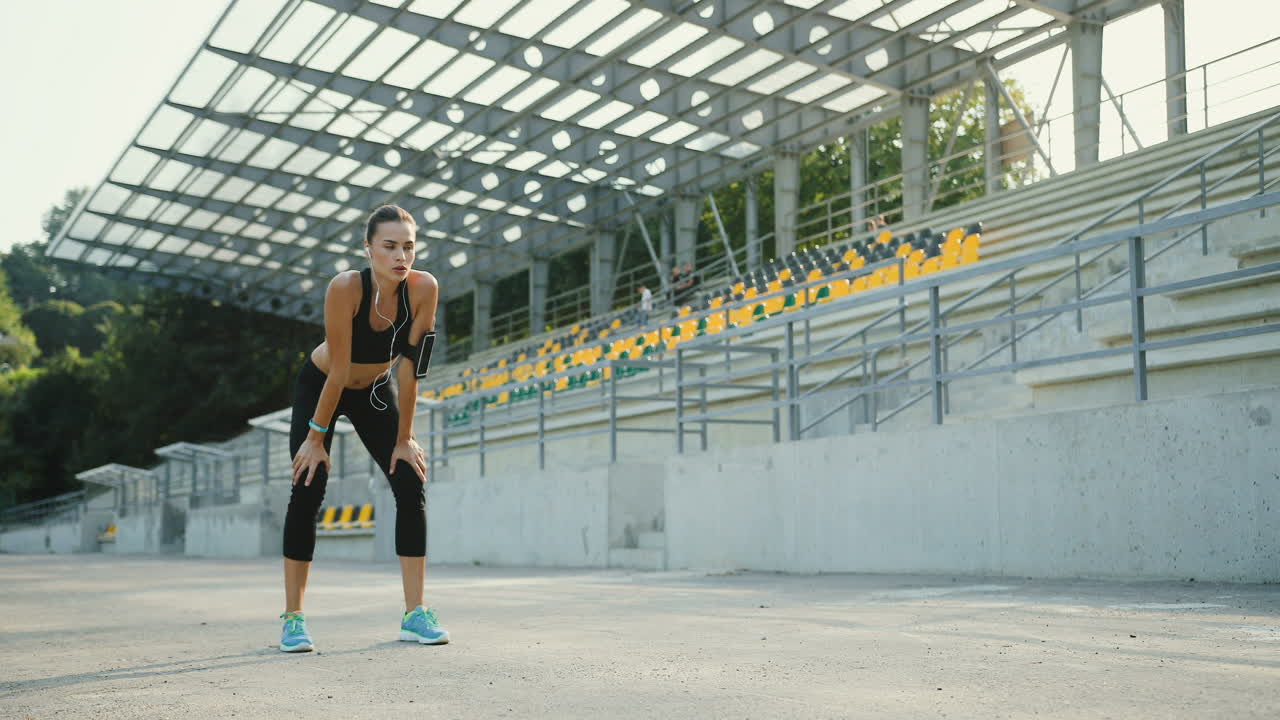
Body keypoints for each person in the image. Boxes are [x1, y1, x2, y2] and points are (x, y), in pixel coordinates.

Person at [278, 204, 447, 653]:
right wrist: (316, 438)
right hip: (324, 383)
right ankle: (293, 618)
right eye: (389, 246)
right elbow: (337, 370)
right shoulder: (346, 288)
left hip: (375, 389)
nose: (400, 256)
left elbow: (412, 370)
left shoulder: (424, 288)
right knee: (308, 481)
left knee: (410, 479)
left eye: (408, 246)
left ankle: (416, 613)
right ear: (368, 247)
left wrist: (405, 438)